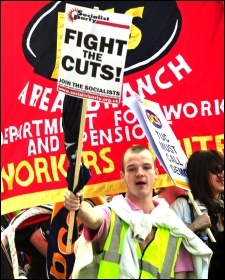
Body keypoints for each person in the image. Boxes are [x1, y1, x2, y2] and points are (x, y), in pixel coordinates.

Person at [64, 145, 212, 279]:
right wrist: (78, 203)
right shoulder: (113, 214)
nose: (140, 173)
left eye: (146, 167)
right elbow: (93, 217)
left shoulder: (173, 224)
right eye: (132, 169)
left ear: (155, 174)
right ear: (122, 176)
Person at [170, 149, 224, 279]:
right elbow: (167, 247)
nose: (222, 174)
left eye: (223, 169)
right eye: (216, 170)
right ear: (201, 173)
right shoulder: (183, 206)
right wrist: (192, 228)